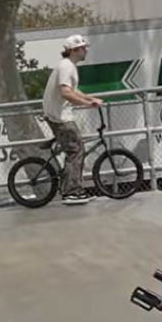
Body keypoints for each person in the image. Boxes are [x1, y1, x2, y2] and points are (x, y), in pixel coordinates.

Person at [41, 34, 105, 205]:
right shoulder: (66, 67)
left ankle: (71, 188)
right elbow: (66, 92)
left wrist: (89, 98)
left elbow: (73, 91)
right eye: (83, 48)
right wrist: (87, 104)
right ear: (73, 50)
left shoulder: (68, 66)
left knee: (75, 149)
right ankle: (72, 192)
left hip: (60, 114)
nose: (85, 51)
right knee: (75, 150)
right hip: (60, 117)